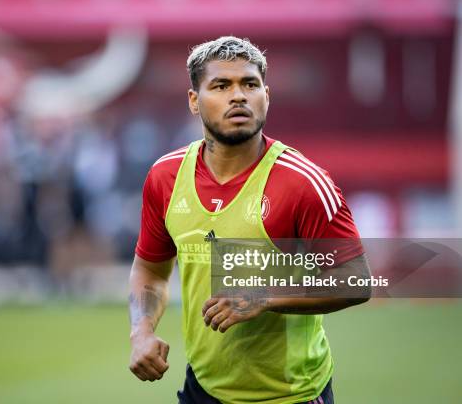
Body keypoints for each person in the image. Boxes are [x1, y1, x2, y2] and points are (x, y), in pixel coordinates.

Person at [128, 36, 371, 404]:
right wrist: (141, 332)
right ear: (194, 101)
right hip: (203, 389)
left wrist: (266, 297)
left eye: (250, 84)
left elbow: (356, 281)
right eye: (221, 86)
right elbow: (151, 269)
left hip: (291, 395)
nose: (238, 96)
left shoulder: (302, 183)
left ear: (266, 97)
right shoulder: (166, 177)